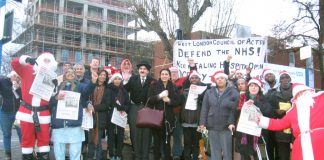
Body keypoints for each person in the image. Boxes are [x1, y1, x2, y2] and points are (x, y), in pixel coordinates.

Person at [258, 83, 324, 160]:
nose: (302, 94)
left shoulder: (321, 99)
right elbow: (279, 124)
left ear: (310, 91)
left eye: (304, 91)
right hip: (301, 143)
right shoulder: (293, 111)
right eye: (298, 94)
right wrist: (260, 120)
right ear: (296, 98)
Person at [11, 52, 58, 160]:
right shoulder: (27, 69)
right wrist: (25, 59)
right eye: (44, 60)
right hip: (27, 111)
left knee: (44, 141)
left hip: (43, 113)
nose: (46, 63)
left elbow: (52, 96)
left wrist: (55, 88)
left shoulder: (52, 77)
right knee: (27, 140)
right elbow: (14, 64)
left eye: (49, 61)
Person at [50, 68, 97, 160]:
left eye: (72, 72)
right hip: (59, 123)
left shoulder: (80, 86)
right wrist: (56, 98)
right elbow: (49, 102)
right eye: (67, 72)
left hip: (74, 123)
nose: (70, 74)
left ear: (75, 75)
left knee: (75, 151)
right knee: (59, 150)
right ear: (64, 74)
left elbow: (86, 94)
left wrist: (93, 82)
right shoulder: (57, 87)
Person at [199, 70, 239, 160]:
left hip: (226, 126)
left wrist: (231, 122)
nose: (220, 80)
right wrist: (202, 123)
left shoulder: (233, 92)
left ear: (226, 80)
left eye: (222, 78)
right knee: (215, 151)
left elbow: (236, 108)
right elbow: (204, 108)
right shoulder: (209, 92)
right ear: (215, 81)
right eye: (218, 78)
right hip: (212, 125)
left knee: (227, 152)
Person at [124, 60, 155, 160]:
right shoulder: (133, 78)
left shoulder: (152, 81)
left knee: (147, 133)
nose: (142, 70)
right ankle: (137, 156)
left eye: (144, 69)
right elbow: (124, 90)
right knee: (135, 132)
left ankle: (145, 156)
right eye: (141, 68)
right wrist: (124, 81)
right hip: (134, 108)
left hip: (147, 109)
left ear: (148, 71)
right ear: (138, 70)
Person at [235, 78, 272, 160]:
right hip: (244, 132)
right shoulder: (242, 98)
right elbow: (235, 112)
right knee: (244, 155)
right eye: (251, 86)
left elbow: (268, 111)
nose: (253, 88)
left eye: (256, 86)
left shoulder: (264, 98)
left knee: (260, 156)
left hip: (259, 132)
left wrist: (255, 103)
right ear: (248, 87)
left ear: (259, 88)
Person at [147, 68, 180, 160]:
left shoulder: (173, 86)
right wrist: (159, 96)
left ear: (169, 76)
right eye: (162, 74)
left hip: (168, 119)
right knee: (156, 142)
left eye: (166, 74)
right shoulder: (153, 86)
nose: (164, 76)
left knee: (167, 141)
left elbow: (178, 101)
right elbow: (149, 100)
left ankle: (167, 157)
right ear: (160, 75)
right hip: (156, 117)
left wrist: (169, 100)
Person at [267, 70, 294, 160]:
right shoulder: (274, 94)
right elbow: (269, 109)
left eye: (287, 77)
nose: (285, 79)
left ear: (290, 79)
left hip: (295, 129)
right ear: (280, 80)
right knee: (283, 156)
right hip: (282, 130)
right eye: (282, 78)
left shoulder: (297, 92)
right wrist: (276, 111)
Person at [181, 70, 207, 160]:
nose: (194, 79)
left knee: (197, 144)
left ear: (200, 79)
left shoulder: (204, 92)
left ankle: (196, 158)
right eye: (192, 78)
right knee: (187, 144)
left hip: (198, 123)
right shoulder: (185, 91)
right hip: (186, 122)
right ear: (189, 80)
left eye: (196, 77)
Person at [106, 72, 130, 160]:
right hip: (111, 115)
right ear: (112, 80)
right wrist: (116, 106)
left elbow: (128, 104)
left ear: (121, 80)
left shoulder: (124, 91)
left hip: (121, 115)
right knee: (111, 135)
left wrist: (123, 108)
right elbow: (108, 101)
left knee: (120, 135)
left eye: (119, 79)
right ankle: (112, 154)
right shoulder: (108, 89)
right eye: (115, 78)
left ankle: (119, 154)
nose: (117, 80)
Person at [87, 70, 109, 160]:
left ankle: (99, 157)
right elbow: (87, 98)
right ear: (98, 76)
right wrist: (89, 105)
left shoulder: (107, 89)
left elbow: (107, 105)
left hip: (101, 118)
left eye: (104, 75)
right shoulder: (92, 87)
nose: (103, 76)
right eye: (101, 75)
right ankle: (90, 157)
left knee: (99, 141)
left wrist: (94, 108)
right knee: (90, 140)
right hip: (90, 117)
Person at [0, 71, 22, 160]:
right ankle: (8, 154)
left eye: (17, 77)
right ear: (11, 76)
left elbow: (23, 98)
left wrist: (18, 88)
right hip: (5, 112)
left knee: (21, 133)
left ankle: (25, 152)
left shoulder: (20, 84)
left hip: (18, 113)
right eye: (15, 76)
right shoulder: (3, 81)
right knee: (6, 134)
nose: (16, 78)